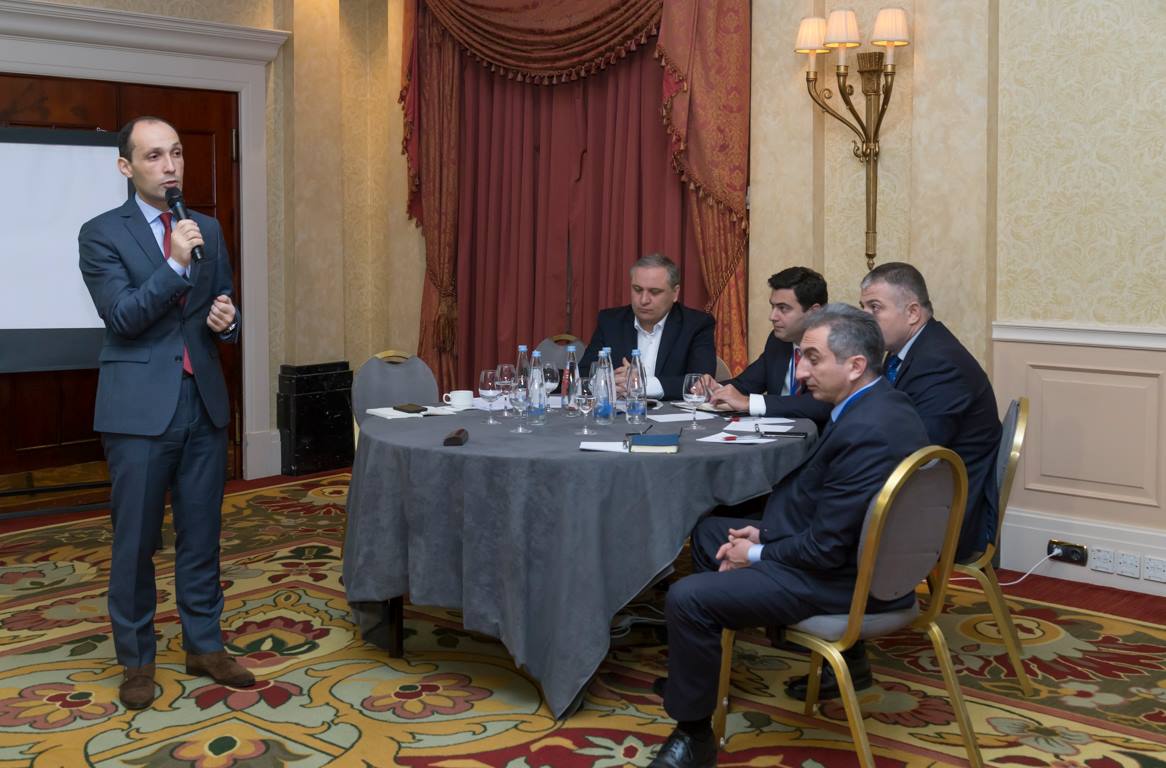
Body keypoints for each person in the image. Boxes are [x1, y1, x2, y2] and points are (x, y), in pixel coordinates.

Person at [647, 304, 929, 768]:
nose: (800, 373)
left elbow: (826, 548)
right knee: (710, 532)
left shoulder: (869, 430)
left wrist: (757, 552)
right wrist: (762, 535)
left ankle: (694, 734)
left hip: (845, 580)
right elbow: (838, 516)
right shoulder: (883, 404)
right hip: (850, 554)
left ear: (855, 365)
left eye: (813, 359)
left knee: (688, 597)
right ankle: (702, 672)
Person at [78, 116, 254, 710]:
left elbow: (222, 300)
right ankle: (137, 659)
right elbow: (123, 316)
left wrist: (228, 322)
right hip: (137, 412)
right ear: (126, 167)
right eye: (154, 156)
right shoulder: (100, 234)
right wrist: (175, 265)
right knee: (135, 542)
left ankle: (205, 645)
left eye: (176, 152)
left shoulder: (207, 228)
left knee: (201, 535)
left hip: (203, 402)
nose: (170, 165)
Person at [784, 261, 1004, 703]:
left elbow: (911, 455)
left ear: (913, 313)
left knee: (816, 515)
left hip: (944, 519)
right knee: (813, 504)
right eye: (862, 306)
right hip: (922, 501)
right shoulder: (907, 355)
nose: (865, 317)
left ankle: (829, 634)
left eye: (875, 307)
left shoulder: (940, 364)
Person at [703, 266, 832, 425]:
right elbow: (747, 383)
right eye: (773, 306)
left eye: (783, 308)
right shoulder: (778, 341)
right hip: (774, 432)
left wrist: (749, 403)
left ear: (814, 312)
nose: (772, 316)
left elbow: (821, 405)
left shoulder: (834, 346)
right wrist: (714, 389)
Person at [578, 254, 716, 400]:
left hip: (671, 414)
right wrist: (605, 382)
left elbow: (701, 382)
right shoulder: (610, 321)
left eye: (654, 292)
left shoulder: (696, 324)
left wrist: (641, 384)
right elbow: (583, 374)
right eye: (637, 289)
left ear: (675, 293)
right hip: (619, 412)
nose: (643, 300)